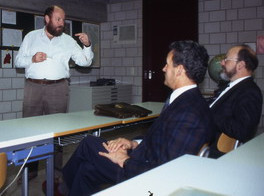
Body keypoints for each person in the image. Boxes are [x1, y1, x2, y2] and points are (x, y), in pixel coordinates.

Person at [61, 41, 214, 196]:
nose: (163, 69)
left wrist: (124, 160)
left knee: (88, 143)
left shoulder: (189, 113)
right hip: (144, 158)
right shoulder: (187, 101)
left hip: (146, 175)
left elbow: (167, 171)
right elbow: (160, 138)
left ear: (180, 70)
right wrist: (133, 143)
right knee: (86, 170)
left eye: (167, 65)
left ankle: (62, 187)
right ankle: (66, 188)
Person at [15, 5, 94, 179]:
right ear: (47, 19)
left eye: (63, 20)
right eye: (58, 19)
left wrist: (87, 45)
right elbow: (18, 61)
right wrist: (32, 59)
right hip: (33, 87)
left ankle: (56, 172)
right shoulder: (31, 37)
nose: (62, 23)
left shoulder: (68, 40)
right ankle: (30, 171)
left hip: (58, 88)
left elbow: (84, 62)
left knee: (57, 131)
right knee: (29, 130)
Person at [209, 44, 263, 158]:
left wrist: (210, 112)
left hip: (210, 146)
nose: (222, 63)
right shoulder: (232, 86)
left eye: (226, 60)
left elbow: (243, 130)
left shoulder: (250, 91)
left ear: (240, 65)